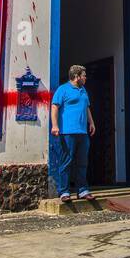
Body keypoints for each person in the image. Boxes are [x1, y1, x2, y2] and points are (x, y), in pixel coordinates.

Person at [50, 65, 95, 203]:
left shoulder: (83, 90)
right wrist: (55, 125)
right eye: (83, 75)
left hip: (82, 132)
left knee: (82, 162)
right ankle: (64, 191)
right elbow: (54, 107)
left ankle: (82, 190)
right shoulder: (62, 90)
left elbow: (86, 108)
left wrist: (91, 123)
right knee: (66, 162)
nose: (85, 78)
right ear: (76, 76)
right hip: (67, 132)